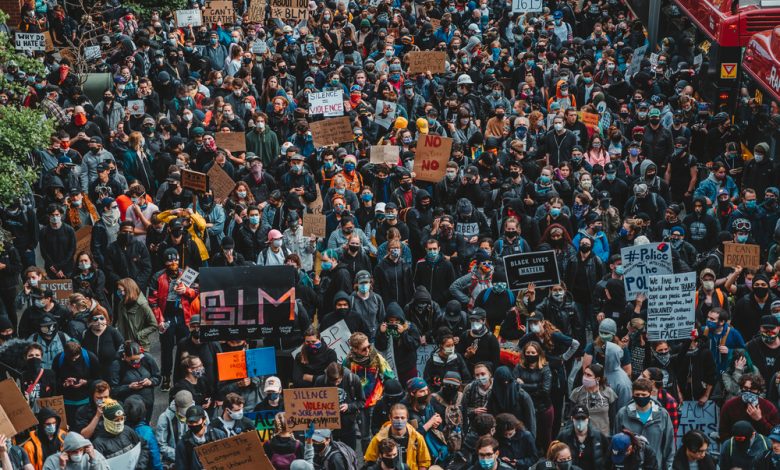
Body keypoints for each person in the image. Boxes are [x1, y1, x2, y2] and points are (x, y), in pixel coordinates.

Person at [613, 378, 675, 469]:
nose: (640, 397)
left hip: (655, 466)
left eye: (644, 394)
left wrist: (669, 467)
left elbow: (669, 446)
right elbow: (616, 442)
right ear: (632, 394)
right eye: (637, 394)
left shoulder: (662, 414)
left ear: (650, 393)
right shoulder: (622, 414)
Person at [364, 403, 432, 470]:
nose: (400, 420)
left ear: (407, 418)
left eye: (402, 418)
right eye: (396, 417)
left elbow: (424, 461)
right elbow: (370, 460)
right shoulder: (379, 438)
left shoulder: (417, 438)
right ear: (390, 418)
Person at [90, 399, 151, 470]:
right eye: (116, 420)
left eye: (122, 419)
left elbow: (143, 446)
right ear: (107, 420)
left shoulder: (127, 430)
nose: (120, 422)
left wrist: (140, 466)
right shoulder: (98, 444)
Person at [174, 406, 226, 470]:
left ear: (204, 419)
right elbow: (181, 467)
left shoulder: (219, 435)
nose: (194, 424)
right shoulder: (183, 444)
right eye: (190, 422)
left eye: (196, 421)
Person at [41, 432, 110, 470]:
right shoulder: (52, 461)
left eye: (80, 450)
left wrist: (94, 460)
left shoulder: (93, 454)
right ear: (67, 452)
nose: (78, 454)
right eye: (74, 451)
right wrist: (62, 467)